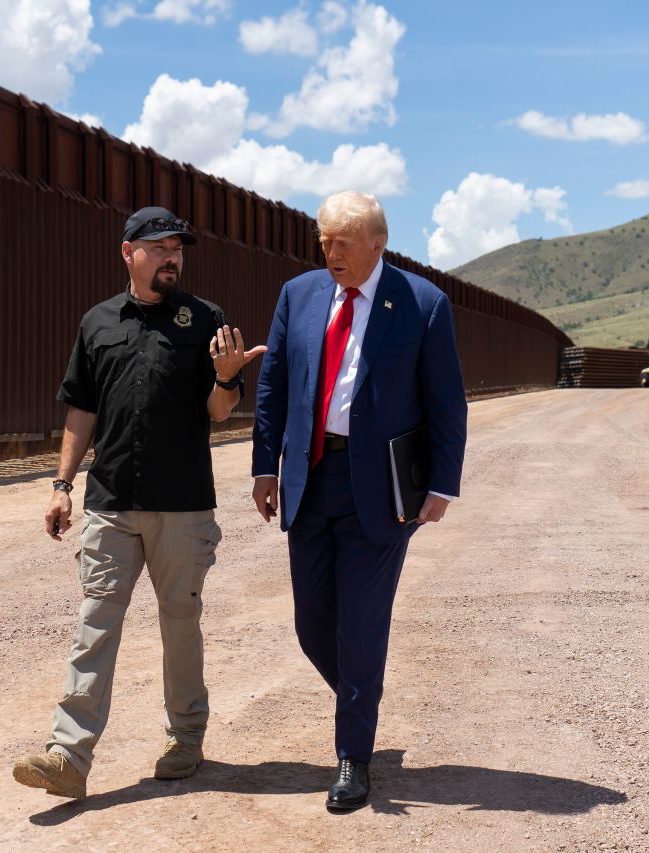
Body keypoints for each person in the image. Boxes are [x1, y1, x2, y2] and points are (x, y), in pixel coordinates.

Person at [13, 206, 266, 799]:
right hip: (111, 500)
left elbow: (218, 413)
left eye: (179, 247)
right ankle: (68, 757)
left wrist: (227, 377)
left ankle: (185, 738)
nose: (173, 256)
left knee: (180, 626)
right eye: (160, 247)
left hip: (182, 506)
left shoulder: (206, 320)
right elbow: (82, 408)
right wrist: (61, 485)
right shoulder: (98, 322)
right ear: (130, 253)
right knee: (94, 626)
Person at [251, 191, 467, 811]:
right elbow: (274, 387)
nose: (330, 253)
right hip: (309, 478)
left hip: (380, 487)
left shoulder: (422, 305)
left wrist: (441, 484)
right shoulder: (299, 295)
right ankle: (360, 697)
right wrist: (266, 466)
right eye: (323, 240)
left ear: (378, 243)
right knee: (311, 622)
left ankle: (353, 757)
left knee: (363, 624)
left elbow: (446, 402)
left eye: (342, 242)